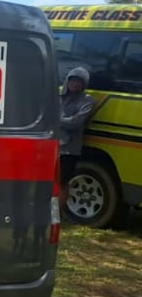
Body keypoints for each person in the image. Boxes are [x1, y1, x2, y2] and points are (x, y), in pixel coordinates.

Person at [59, 66, 94, 215]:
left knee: (62, 182)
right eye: (72, 80)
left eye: (79, 81)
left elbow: (76, 122)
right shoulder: (58, 97)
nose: (75, 84)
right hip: (51, 145)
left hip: (69, 149)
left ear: (84, 84)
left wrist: (54, 119)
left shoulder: (87, 100)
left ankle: (57, 213)